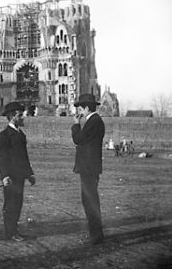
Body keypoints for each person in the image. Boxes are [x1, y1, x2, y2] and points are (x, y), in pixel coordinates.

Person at [0, 101, 36, 242]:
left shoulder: (20, 135)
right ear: (13, 117)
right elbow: (1, 158)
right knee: (11, 205)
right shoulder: (4, 136)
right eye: (20, 115)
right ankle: (10, 233)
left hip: (20, 177)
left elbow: (24, 157)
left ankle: (14, 231)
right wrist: (4, 176)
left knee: (17, 204)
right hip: (11, 178)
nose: (23, 118)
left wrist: (29, 174)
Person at [71, 93, 105, 245]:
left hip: (89, 168)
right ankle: (95, 233)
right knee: (88, 200)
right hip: (89, 167)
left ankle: (96, 235)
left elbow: (78, 139)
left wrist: (76, 124)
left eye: (80, 108)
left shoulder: (94, 121)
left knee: (90, 201)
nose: (79, 112)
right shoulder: (94, 121)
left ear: (86, 108)